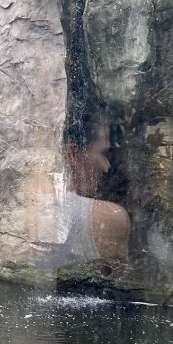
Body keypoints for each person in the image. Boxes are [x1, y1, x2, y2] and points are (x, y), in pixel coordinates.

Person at [30, 111, 130, 267]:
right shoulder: (112, 217)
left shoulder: (25, 207)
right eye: (103, 154)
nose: (106, 166)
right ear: (72, 153)